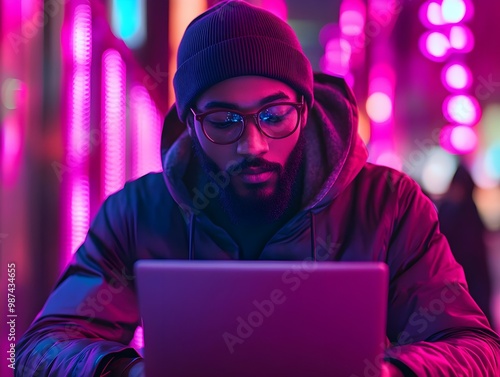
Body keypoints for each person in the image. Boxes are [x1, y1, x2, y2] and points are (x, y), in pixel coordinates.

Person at [16, 1, 500, 376]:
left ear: (305, 109)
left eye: (274, 115)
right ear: (189, 122)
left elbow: (477, 351)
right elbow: (41, 348)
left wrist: (389, 372)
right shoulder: (138, 213)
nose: (254, 144)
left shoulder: (388, 206)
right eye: (224, 121)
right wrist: (134, 372)